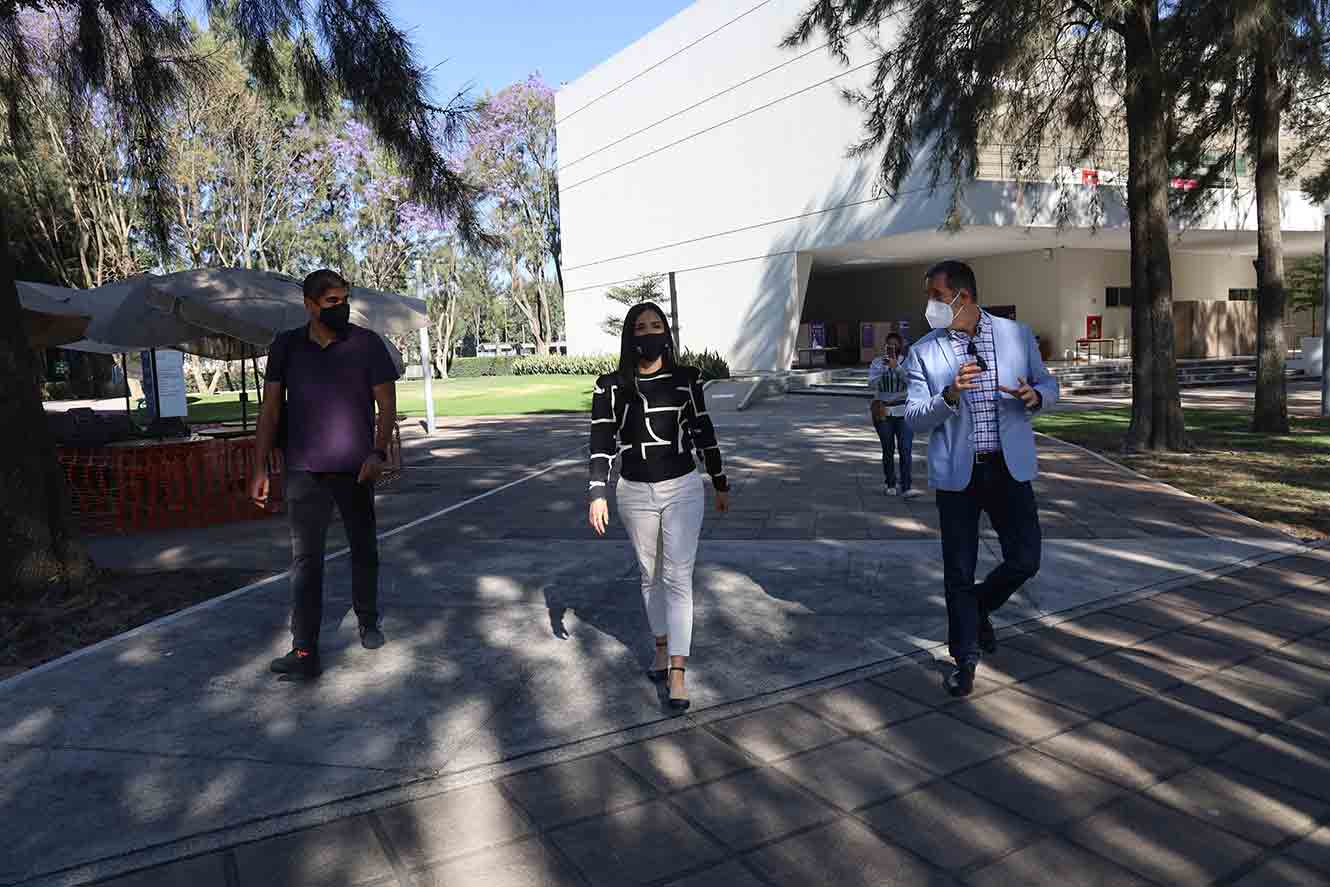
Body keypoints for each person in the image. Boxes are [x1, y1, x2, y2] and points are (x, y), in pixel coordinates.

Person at [904, 260, 1058, 697]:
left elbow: (1050, 385)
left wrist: (1036, 396)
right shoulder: (925, 352)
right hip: (959, 474)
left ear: (962, 297)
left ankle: (978, 607)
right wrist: (949, 395)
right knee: (958, 569)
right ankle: (964, 658)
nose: (930, 305)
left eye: (936, 296)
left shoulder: (1016, 335)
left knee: (1026, 559)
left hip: (1009, 469)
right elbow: (913, 419)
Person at [249, 269, 401, 679]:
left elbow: (386, 403)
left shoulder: (366, 344)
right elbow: (270, 409)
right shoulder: (286, 347)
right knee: (305, 561)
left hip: (356, 468)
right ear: (310, 305)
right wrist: (260, 465)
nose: (342, 307)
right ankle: (304, 650)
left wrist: (378, 450)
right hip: (303, 470)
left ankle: (367, 620)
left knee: (363, 547)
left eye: (344, 299)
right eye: (333, 301)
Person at [587, 302, 730, 711]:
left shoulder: (687, 380)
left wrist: (720, 481)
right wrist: (597, 491)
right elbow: (601, 441)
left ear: (666, 331)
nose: (650, 333)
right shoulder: (610, 386)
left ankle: (679, 671)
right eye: (640, 327)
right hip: (633, 491)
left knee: (678, 577)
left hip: (683, 487)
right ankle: (662, 648)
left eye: (656, 325)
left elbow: (704, 432)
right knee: (650, 576)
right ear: (630, 336)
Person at [868, 331, 920, 499]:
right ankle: (890, 483)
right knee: (888, 448)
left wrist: (896, 367)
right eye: (889, 344)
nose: (892, 347)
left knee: (905, 449)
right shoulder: (877, 363)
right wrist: (884, 369)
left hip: (904, 411)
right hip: (883, 410)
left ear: (901, 346)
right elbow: (871, 384)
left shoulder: (907, 363)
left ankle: (906, 486)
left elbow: (912, 382)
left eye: (895, 344)